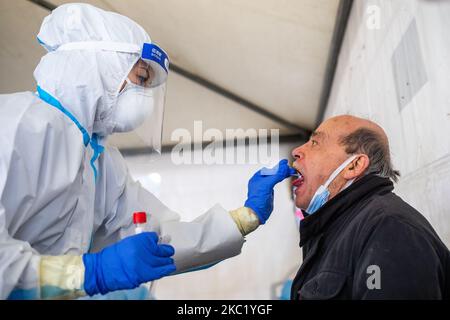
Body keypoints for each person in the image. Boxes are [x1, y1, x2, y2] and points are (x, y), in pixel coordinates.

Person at [0, 3, 295, 299]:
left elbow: (156, 238)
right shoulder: (18, 123)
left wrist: (245, 217)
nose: (143, 96)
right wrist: (89, 273)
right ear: (98, 67)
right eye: (140, 79)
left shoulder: (101, 163)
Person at [286, 114, 450, 299]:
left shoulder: (389, 229)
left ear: (353, 165)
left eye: (315, 142)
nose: (297, 151)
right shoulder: (331, 229)